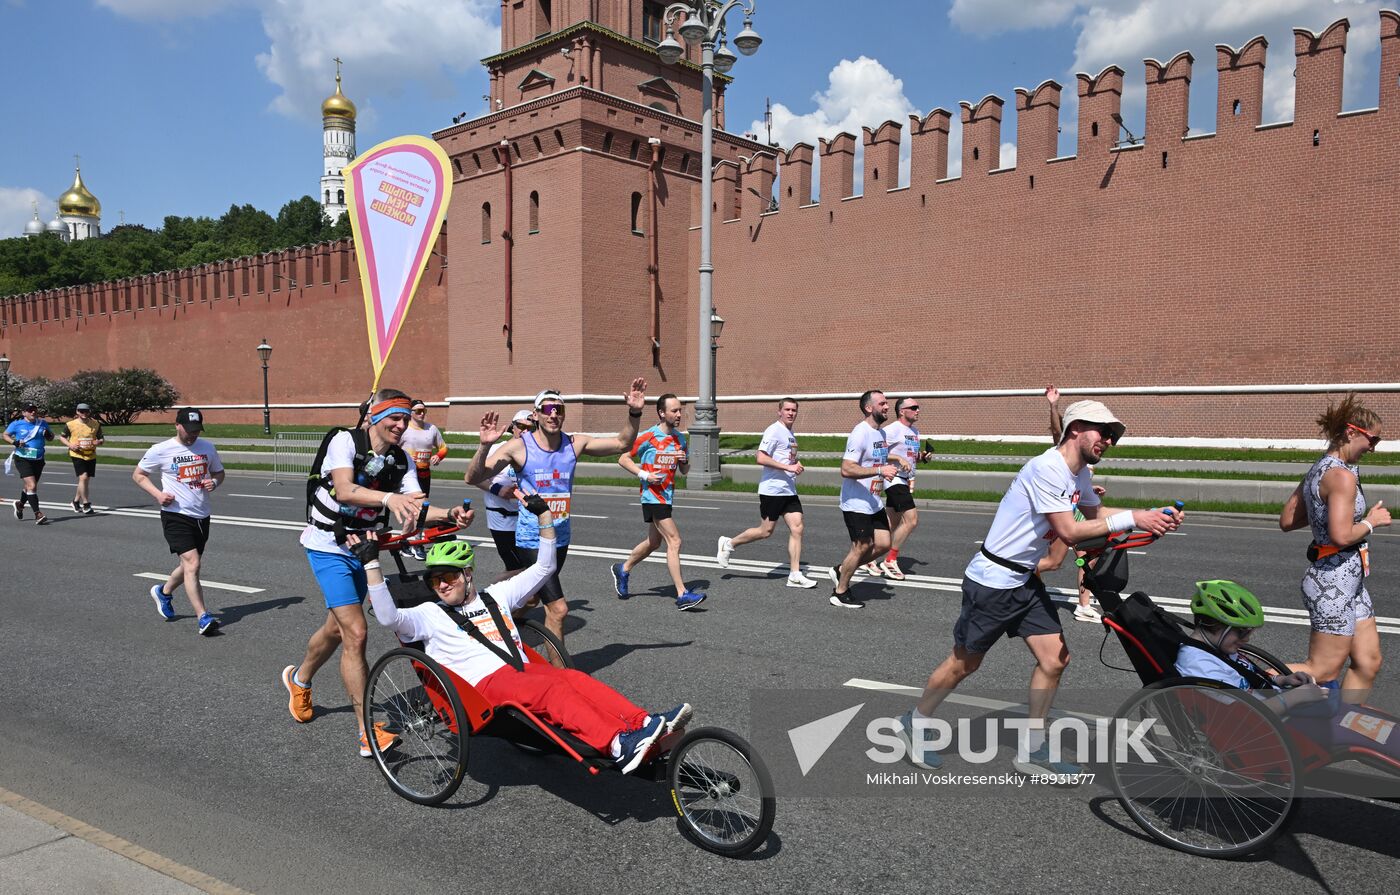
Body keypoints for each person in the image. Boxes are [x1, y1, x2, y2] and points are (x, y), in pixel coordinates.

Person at [897, 401, 1182, 775]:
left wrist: (1151, 515)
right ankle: (914, 721)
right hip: (994, 581)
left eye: (1114, 436)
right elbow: (1069, 531)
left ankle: (1032, 750)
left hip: (1025, 580)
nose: (1109, 441)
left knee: (1055, 659)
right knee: (965, 663)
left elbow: (1096, 516)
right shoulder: (1048, 468)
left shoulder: (1078, 472)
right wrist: (1134, 518)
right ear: (1076, 428)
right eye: (1104, 432)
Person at [362, 497, 692, 774]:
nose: (442, 585)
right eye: (434, 582)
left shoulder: (496, 595)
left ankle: (644, 723)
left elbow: (545, 568)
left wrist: (545, 518)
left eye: (448, 577)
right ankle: (618, 743)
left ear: (467, 574)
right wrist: (371, 562)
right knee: (551, 687)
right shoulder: (429, 614)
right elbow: (389, 617)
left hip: (521, 670)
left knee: (573, 680)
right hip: (483, 688)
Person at [281, 389, 474, 757]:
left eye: (406, 419)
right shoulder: (344, 441)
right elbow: (345, 489)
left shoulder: (400, 459)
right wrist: (388, 499)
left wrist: (450, 514)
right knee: (356, 632)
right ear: (374, 416)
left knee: (337, 628)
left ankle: (299, 678)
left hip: (365, 547)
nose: (402, 426)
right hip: (328, 547)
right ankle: (368, 730)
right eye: (395, 418)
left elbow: (416, 504)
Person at [466, 379, 650, 643]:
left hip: (560, 536)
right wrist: (484, 446)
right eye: (548, 408)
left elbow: (622, 443)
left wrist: (634, 412)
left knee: (531, 597)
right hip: (532, 538)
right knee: (558, 609)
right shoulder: (519, 447)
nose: (554, 414)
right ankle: (562, 673)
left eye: (559, 409)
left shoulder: (574, 444)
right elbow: (473, 477)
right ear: (537, 414)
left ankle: (489, 625)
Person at [1176, 580, 1400, 763]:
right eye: (1241, 634)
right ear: (1216, 625)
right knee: (1363, 735)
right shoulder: (1200, 667)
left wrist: (1283, 680)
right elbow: (1245, 714)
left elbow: (1245, 678)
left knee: (1358, 717)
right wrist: (1296, 697)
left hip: (1279, 711)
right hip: (1270, 728)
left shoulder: (1213, 649)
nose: (1245, 641)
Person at [1279, 394, 1391, 705]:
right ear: (1352, 432)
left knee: (1369, 662)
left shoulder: (1323, 468)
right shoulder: (1340, 475)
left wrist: (1319, 506)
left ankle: (1341, 728)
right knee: (1323, 670)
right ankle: (1236, 683)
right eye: (1374, 439)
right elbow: (1342, 536)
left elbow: (1287, 519)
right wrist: (1371, 522)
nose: (1374, 447)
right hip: (1332, 584)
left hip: (1350, 583)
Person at [132, 408, 226, 635]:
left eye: (196, 430)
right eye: (189, 430)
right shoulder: (161, 450)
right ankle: (203, 617)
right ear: (177, 425)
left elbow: (219, 473)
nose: (193, 435)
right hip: (175, 514)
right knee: (193, 564)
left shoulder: (207, 447)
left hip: (202, 514)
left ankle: (163, 592)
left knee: (187, 566)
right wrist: (158, 495)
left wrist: (214, 482)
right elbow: (138, 475)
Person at [611, 394, 705, 610]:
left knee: (654, 543)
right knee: (675, 541)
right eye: (674, 411)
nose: (679, 414)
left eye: (680, 410)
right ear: (662, 413)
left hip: (667, 495)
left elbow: (684, 470)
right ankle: (682, 595)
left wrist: (685, 461)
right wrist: (645, 475)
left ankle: (623, 569)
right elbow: (623, 458)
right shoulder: (648, 436)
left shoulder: (680, 439)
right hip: (652, 496)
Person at [715, 398, 816, 588]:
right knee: (765, 531)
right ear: (779, 411)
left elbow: (785, 458)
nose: (791, 413)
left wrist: (796, 465)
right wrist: (788, 466)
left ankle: (794, 574)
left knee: (797, 527)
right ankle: (729, 544)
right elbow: (760, 457)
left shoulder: (789, 433)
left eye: (794, 410)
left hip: (788, 489)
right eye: (787, 409)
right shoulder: (774, 430)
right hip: (772, 490)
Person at [828, 390, 905, 608]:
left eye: (887, 403)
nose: (887, 406)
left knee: (883, 544)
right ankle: (840, 592)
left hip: (873, 501)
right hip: (856, 502)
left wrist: (894, 460)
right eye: (882, 403)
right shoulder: (859, 432)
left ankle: (841, 569)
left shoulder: (880, 434)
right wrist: (880, 470)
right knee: (861, 547)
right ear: (869, 408)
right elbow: (846, 468)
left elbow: (876, 456)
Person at [1040, 386, 1107, 622]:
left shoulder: (1087, 456)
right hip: (1063, 510)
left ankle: (1083, 605)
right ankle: (1020, 574)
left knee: (1088, 557)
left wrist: (1092, 490)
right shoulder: (1062, 452)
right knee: (1053, 562)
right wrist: (1053, 406)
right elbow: (1058, 431)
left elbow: (1080, 484)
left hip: (1078, 508)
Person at [878, 397, 934, 580]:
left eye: (918, 407)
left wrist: (922, 457)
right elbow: (878, 451)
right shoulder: (891, 430)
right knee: (911, 520)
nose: (918, 410)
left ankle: (867, 555)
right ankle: (890, 560)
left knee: (891, 522)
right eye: (914, 407)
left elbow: (910, 455)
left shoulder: (914, 431)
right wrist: (898, 459)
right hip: (893, 479)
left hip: (905, 480)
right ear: (902, 411)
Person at [480, 409, 534, 573]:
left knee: (531, 567)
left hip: (528, 519)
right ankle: (490, 595)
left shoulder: (537, 454)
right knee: (515, 567)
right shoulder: (497, 449)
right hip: (501, 517)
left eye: (530, 428)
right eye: (520, 426)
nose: (525, 431)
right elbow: (474, 476)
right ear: (513, 427)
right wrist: (497, 489)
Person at [399, 399, 448, 560]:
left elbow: (443, 447)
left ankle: (404, 542)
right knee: (415, 510)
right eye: (418, 411)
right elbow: (393, 448)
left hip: (424, 474)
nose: (421, 414)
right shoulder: (405, 429)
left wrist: (438, 456)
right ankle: (415, 542)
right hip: (408, 475)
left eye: (423, 411)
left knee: (420, 510)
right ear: (410, 413)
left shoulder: (431, 429)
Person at [5, 402, 54, 525]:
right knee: (32, 486)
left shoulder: (42, 423)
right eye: (30, 410)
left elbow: (51, 437)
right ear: (24, 413)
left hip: (38, 459)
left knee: (29, 487)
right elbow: (5, 435)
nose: (33, 412)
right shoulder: (17, 424)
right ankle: (38, 514)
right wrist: (14, 442)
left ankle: (20, 505)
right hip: (22, 458)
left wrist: (48, 435)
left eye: (34, 410)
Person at [60, 402, 103, 514]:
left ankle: (75, 501)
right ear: (77, 412)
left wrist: (98, 442)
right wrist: (70, 445)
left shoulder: (96, 423)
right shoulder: (70, 424)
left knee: (84, 480)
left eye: (86, 411)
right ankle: (86, 504)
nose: (84, 413)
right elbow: (62, 437)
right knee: (83, 477)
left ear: (89, 412)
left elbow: (101, 439)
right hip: (77, 454)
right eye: (81, 411)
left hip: (90, 454)